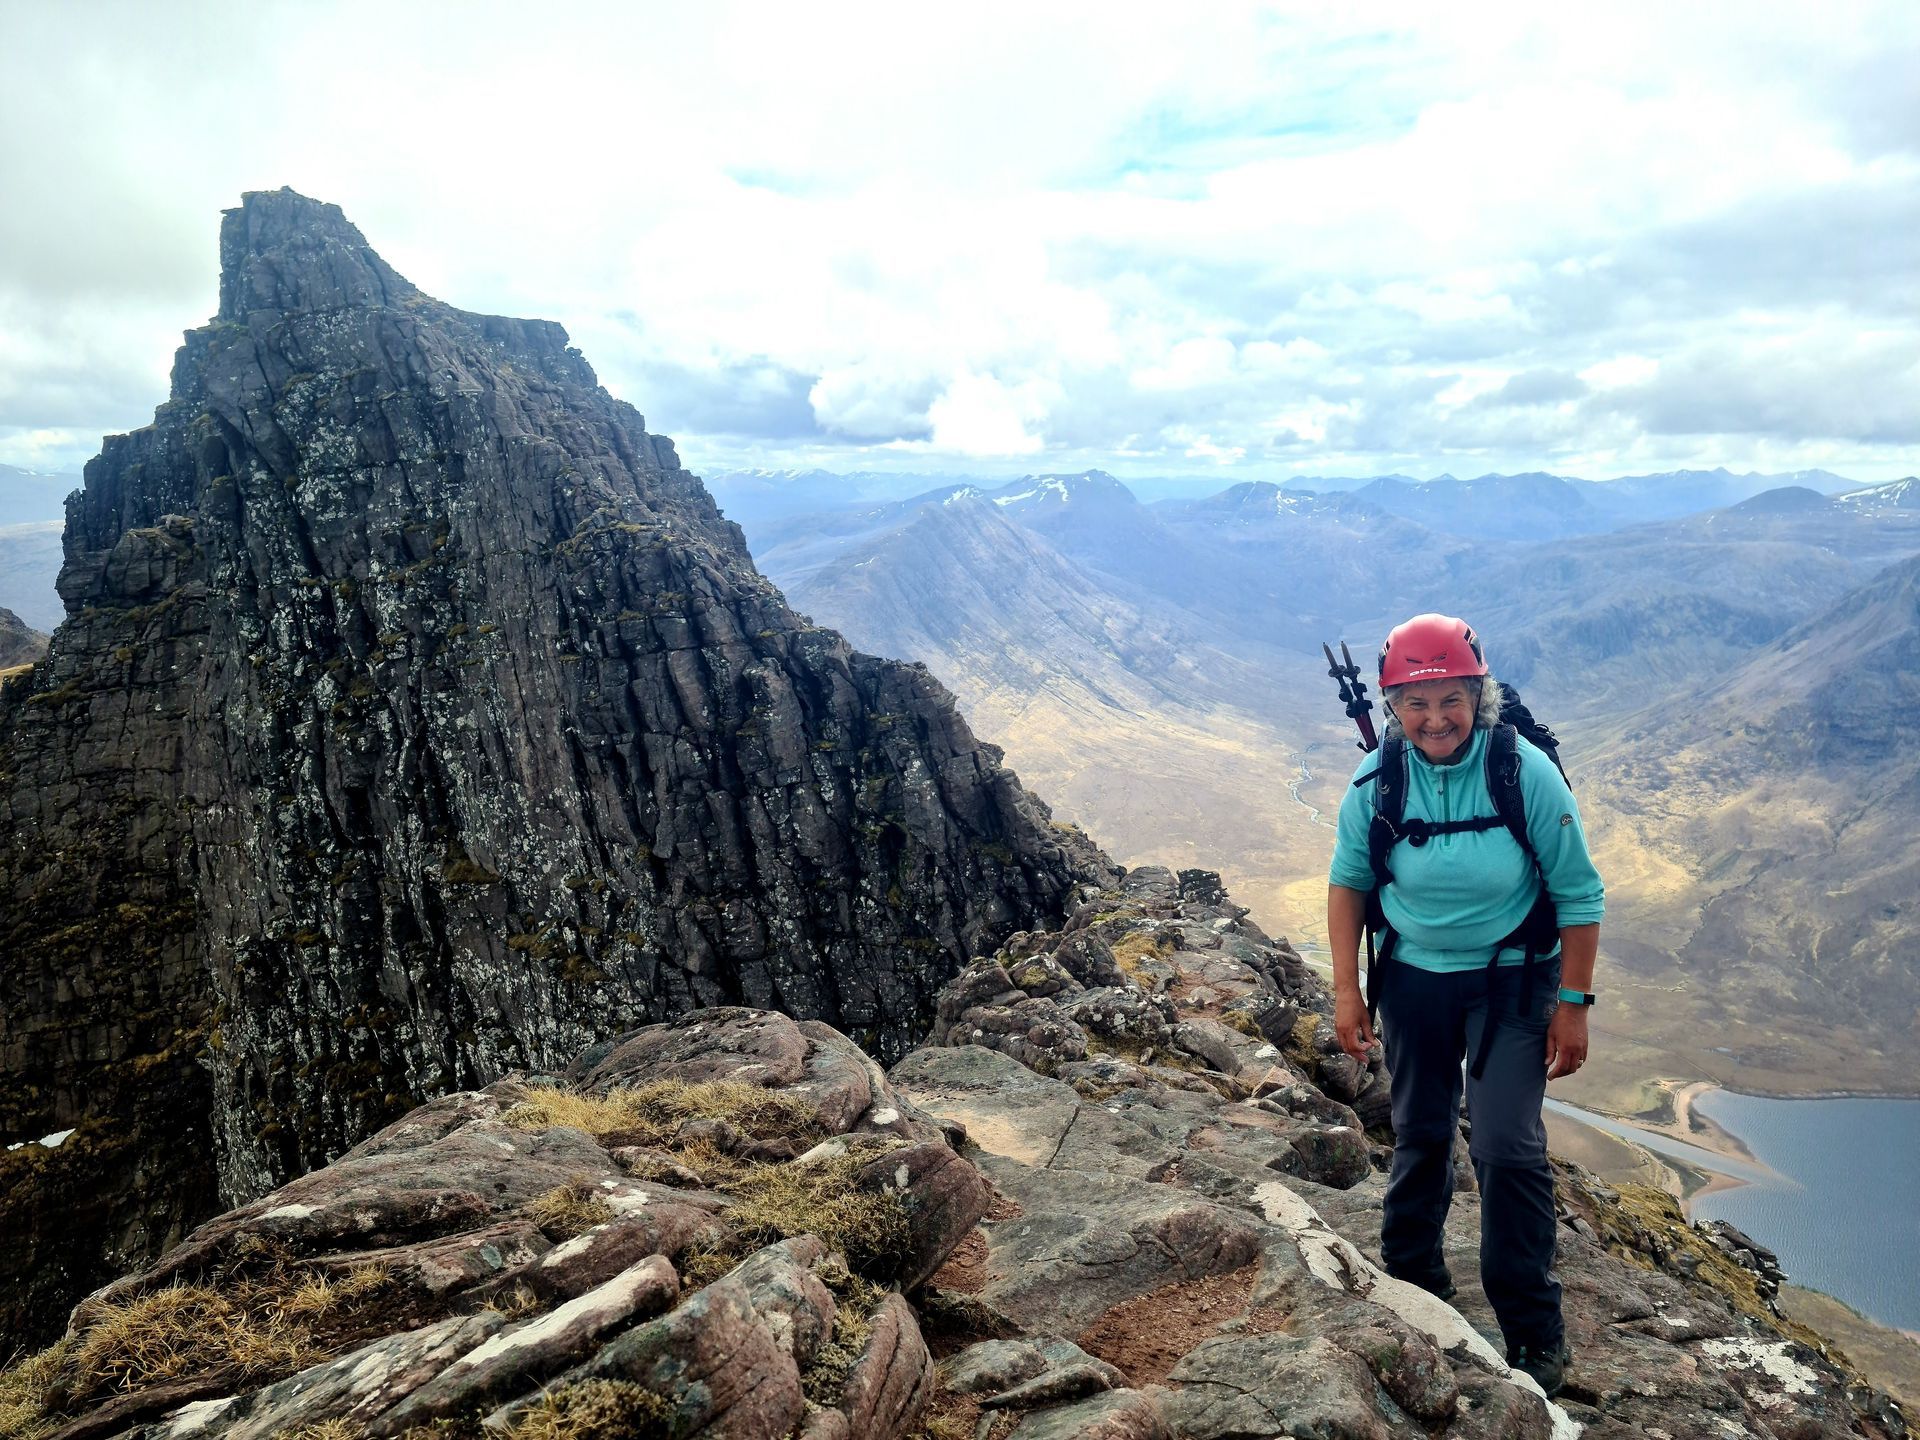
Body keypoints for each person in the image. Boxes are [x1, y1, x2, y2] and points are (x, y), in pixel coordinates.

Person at [1327, 613, 1603, 1399]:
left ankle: (1534, 1330)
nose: (1435, 719)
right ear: (1391, 708)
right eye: (1415, 704)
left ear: (1478, 696)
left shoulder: (1522, 772)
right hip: (1413, 979)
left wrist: (1574, 1003)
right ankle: (1414, 1280)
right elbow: (1348, 884)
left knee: (1508, 1148)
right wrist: (1348, 988)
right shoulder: (1376, 780)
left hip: (1515, 980)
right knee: (1418, 1133)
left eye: (1452, 699)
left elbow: (1580, 893)